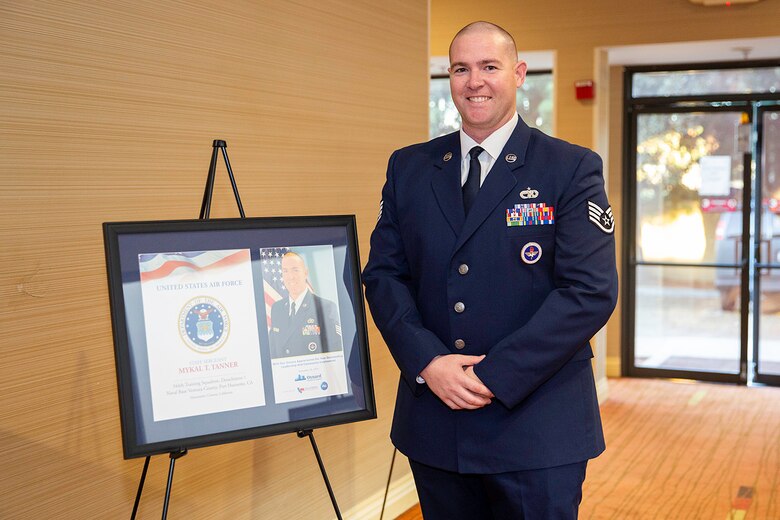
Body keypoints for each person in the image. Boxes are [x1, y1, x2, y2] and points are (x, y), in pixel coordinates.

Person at [362, 21, 618, 519]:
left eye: (489, 67)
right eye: (461, 68)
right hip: (437, 418)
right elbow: (383, 276)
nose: (474, 81)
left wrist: (493, 375)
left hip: (537, 424)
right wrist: (428, 362)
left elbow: (589, 292)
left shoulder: (569, 168)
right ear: (449, 79)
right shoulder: (409, 168)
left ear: (518, 74)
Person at [268, 252, 342, 358]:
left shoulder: (325, 307)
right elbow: (273, 351)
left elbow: (335, 351)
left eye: (295, 270)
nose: (291, 277)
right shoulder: (277, 308)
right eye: (285, 271)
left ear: (305, 272)